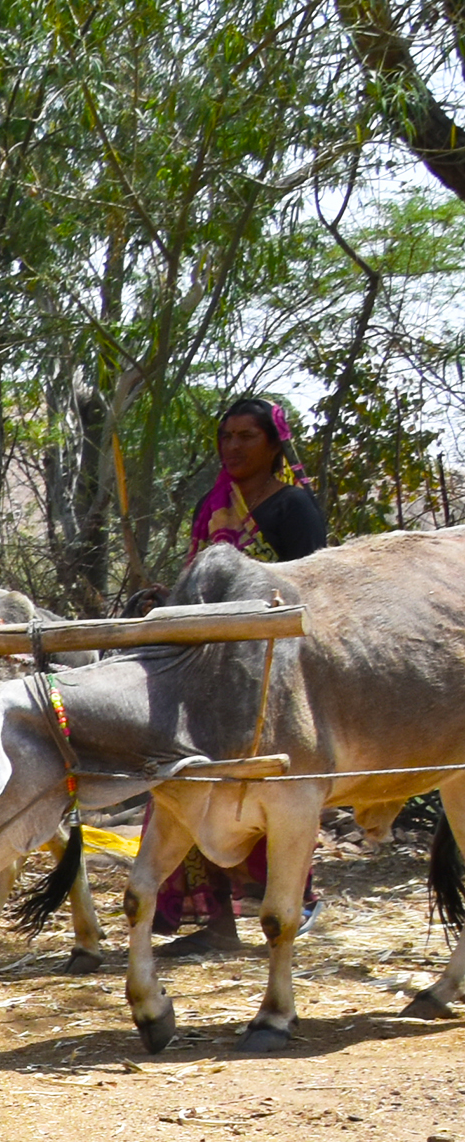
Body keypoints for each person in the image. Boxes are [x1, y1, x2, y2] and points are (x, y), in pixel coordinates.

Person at [157, 395, 330, 959]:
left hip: (274, 673)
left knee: (273, 788)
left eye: (246, 437)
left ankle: (289, 905)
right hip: (209, 671)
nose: (232, 447)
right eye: (226, 437)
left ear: (274, 444)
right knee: (203, 785)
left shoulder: (294, 509)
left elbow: (310, 589)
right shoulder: (214, 506)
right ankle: (217, 922)